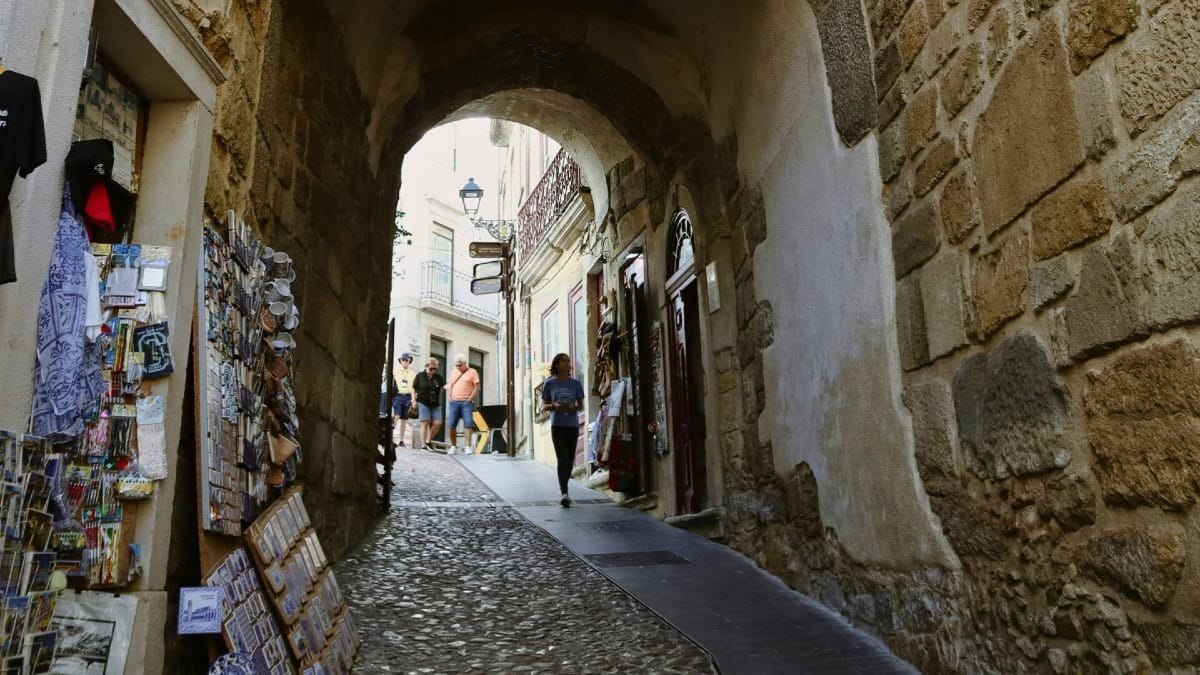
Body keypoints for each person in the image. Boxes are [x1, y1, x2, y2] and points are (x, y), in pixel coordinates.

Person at [541, 353, 585, 507]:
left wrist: (575, 407)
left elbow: (581, 404)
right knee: (562, 458)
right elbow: (543, 406)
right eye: (563, 361)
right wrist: (554, 406)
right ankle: (564, 492)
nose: (567, 363)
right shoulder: (549, 384)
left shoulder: (576, 384)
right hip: (557, 425)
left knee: (570, 459)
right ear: (557, 365)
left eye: (568, 361)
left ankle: (564, 488)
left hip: (572, 425)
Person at [445, 354, 480, 451]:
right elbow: (450, 385)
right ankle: (453, 446)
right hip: (454, 402)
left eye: (460, 365)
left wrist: (470, 399)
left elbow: (477, 387)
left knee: (468, 423)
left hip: (466, 402)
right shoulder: (453, 372)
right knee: (451, 425)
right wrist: (449, 396)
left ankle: (468, 446)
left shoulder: (472, 372)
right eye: (456, 365)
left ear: (465, 363)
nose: (458, 367)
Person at [413, 358, 445, 449]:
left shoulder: (438, 377)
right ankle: (423, 445)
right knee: (425, 422)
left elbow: (445, 385)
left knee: (438, 423)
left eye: (435, 369)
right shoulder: (420, 376)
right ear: (426, 367)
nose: (433, 371)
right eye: (431, 368)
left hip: (435, 403)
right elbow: (413, 388)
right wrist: (413, 400)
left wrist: (452, 386)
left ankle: (428, 440)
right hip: (423, 402)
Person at [393, 353, 417, 446]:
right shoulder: (396, 371)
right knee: (397, 415)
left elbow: (413, 387)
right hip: (398, 395)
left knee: (404, 419)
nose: (405, 362)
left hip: (407, 397)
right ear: (400, 361)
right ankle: (391, 430)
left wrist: (413, 399)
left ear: (409, 361)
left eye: (407, 360)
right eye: (403, 360)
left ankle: (401, 440)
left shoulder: (412, 374)